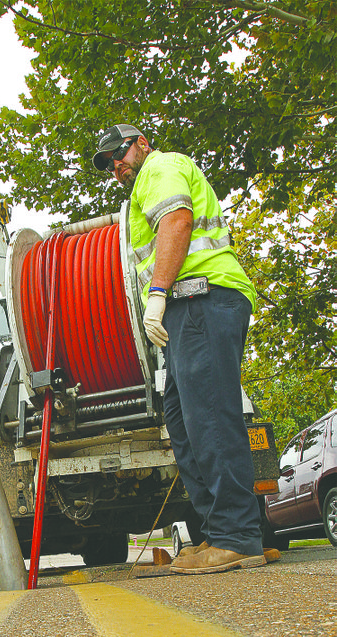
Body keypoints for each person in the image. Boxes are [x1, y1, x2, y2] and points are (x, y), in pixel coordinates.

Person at [92, 124, 265, 574]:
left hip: (200, 299)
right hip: (189, 310)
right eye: (108, 163)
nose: (116, 166)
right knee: (184, 420)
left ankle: (238, 536)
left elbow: (177, 221)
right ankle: (220, 530)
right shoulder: (140, 188)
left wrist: (158, 292)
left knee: (208, 415)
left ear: (142, 144)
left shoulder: (160, 167)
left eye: (119, 153)